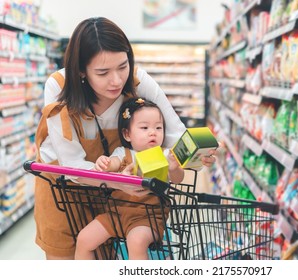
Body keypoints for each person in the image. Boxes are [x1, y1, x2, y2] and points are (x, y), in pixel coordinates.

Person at [34, 16, 216, 260]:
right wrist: (116, 180)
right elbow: (72, 164)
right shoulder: (59, 88)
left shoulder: (139, 82)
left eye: (122, 66)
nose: (117, 80)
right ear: (81, 71)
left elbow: (176, 135)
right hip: (64, 192)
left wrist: (199, 153)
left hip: (118, 199)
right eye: (103, 72)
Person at [75, 97, 184, 260]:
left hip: (148, 217)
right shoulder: (122, 153)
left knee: (136, 241)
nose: (153, 132)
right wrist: (103, 163)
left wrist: (174, 168)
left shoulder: (164, 154)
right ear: (127, 134)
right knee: (84, 239)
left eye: (158, 127)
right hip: (116, 214)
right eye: (144, 127)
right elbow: (112, 164)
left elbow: (177, 179)